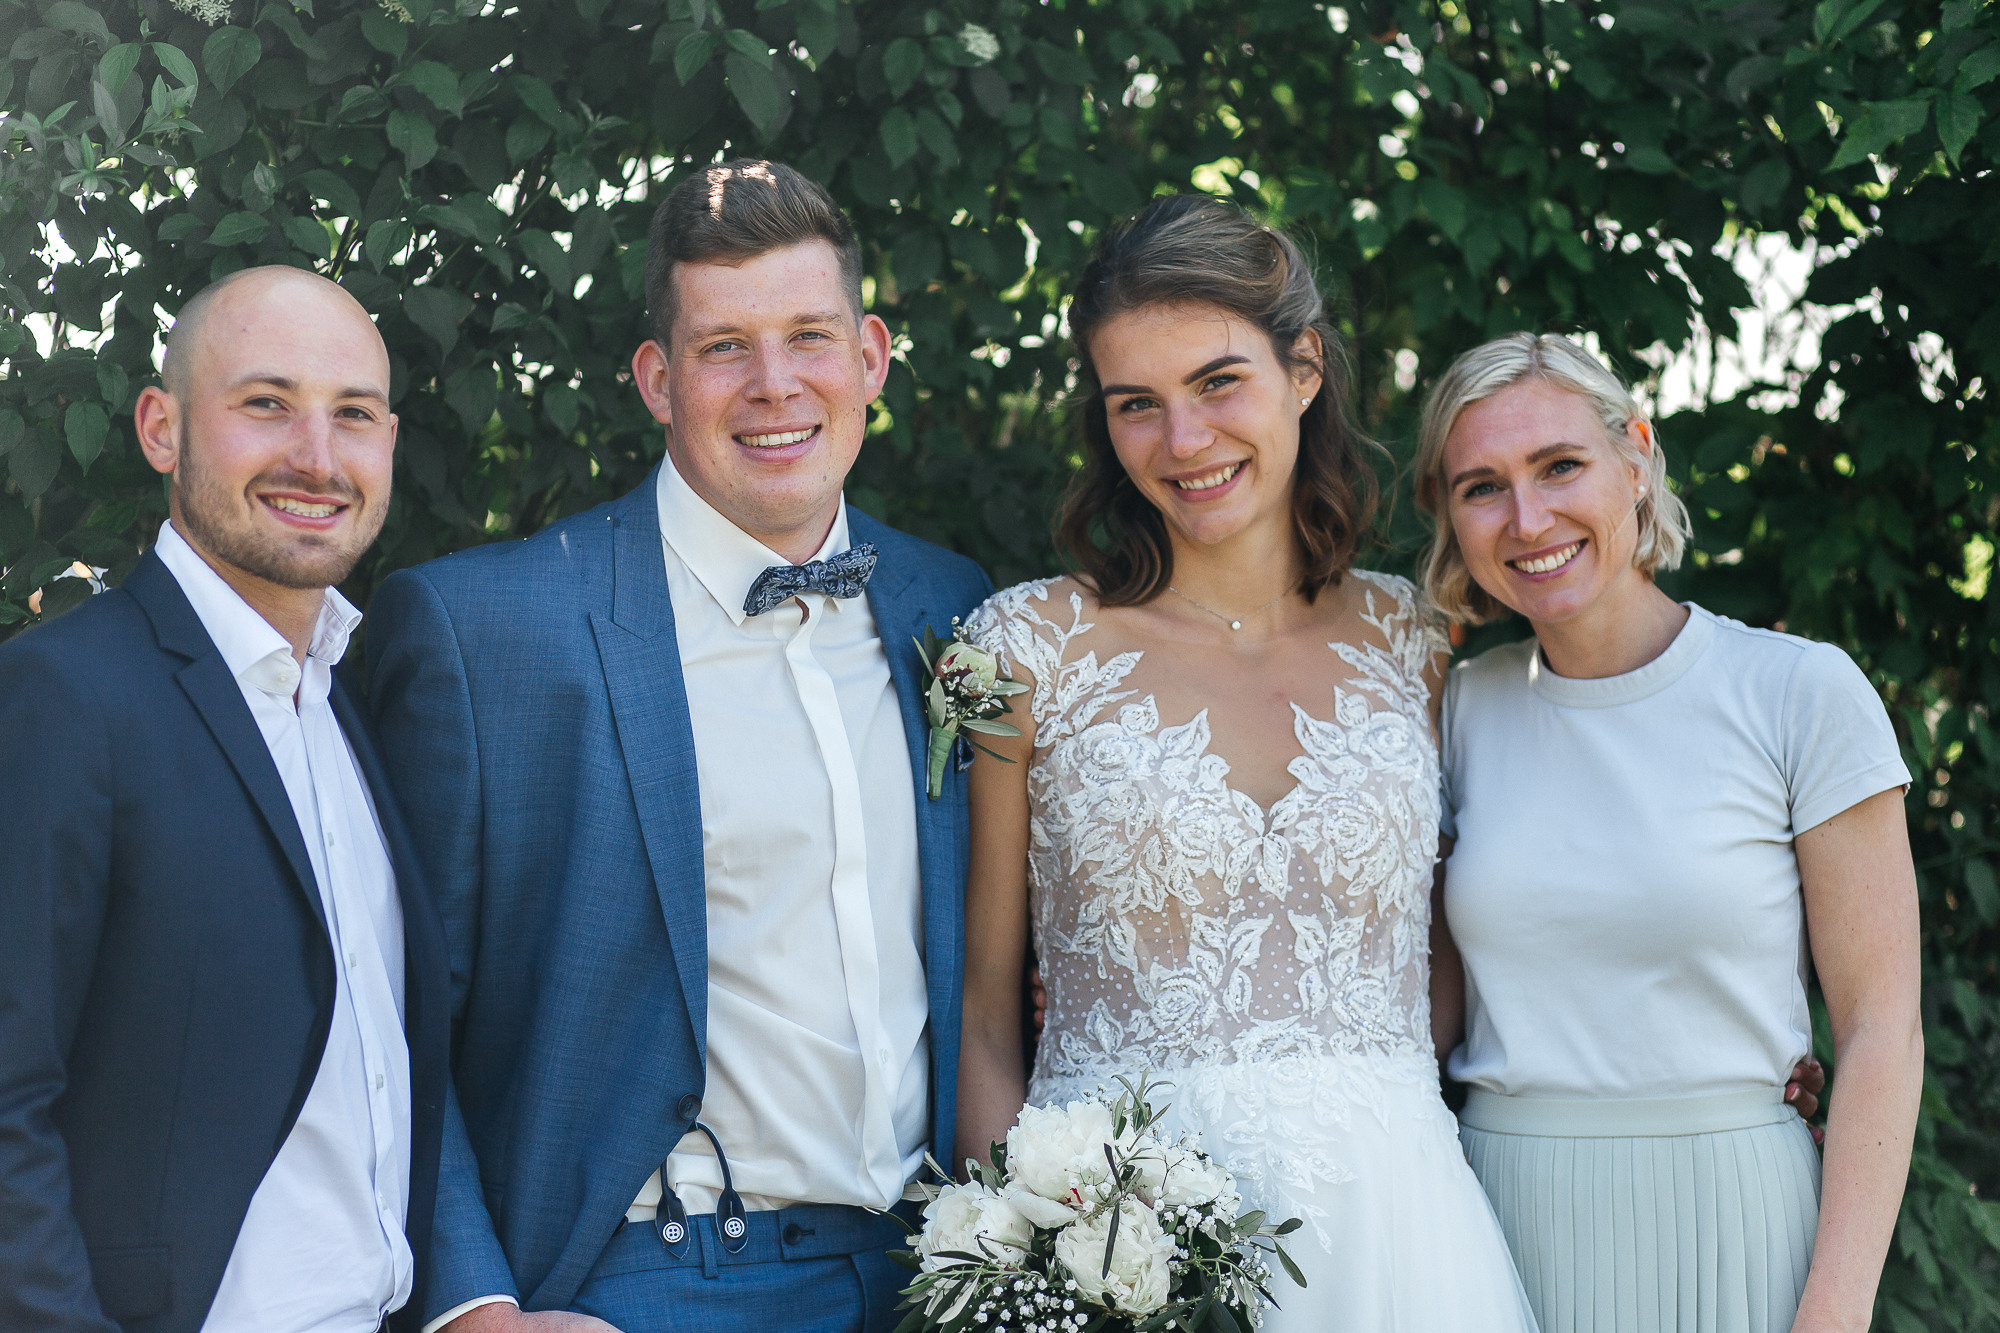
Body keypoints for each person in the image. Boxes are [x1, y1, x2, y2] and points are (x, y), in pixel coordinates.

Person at [366, 160, 991, 1333]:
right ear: (657, 379)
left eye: (809, 336)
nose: (774, 386)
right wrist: (474, 1308)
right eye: (723, 348)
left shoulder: (953, 609)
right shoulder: (488, 632)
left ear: (870, 357)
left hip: (939, 1277)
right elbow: (387, 1015)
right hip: (654, 1278)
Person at [956, 195, 1537, 1330]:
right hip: (1116, 1246)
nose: (1182, 443)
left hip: (1397, 1236)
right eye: (1137, 405)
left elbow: (1466, 945)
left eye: (1217, 382)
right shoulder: (1022, 650)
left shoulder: (1412, 640)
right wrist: (1015, 1270)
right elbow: (983, 1018)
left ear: (1303, 368)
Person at [1419, 332, 1923, 1333]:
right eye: (1481, 486)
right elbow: (1406, 1009)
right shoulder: (1452, 709)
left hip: (1733, 1215)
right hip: (1495, 1218)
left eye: (1558, 465)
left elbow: (1878, 1032)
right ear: (1449, 518)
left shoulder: (1797, 693)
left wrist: (1832, 1312)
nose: (1527, 518)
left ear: (1636, 460)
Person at [0, 266, 449, 1332]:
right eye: (265, 404)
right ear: (162, 427)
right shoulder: (65, 695)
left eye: (352, 415)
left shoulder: (342, 701)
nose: (316, 456)